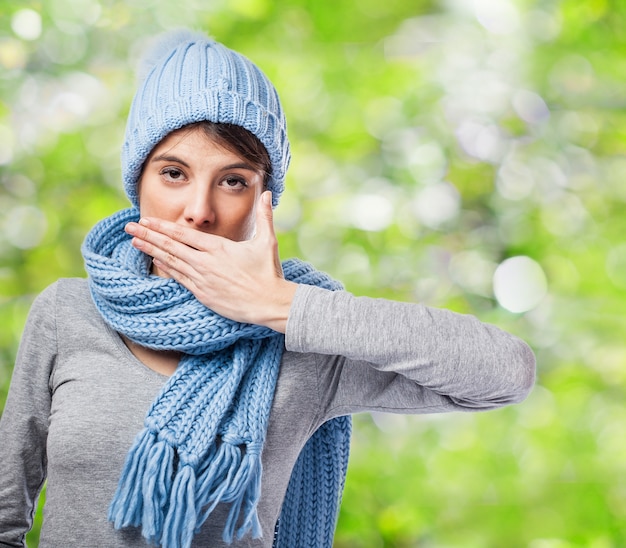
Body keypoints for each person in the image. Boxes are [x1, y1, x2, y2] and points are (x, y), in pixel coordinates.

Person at [0, 29, 536, 548]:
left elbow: (505, 373)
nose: (199, 211)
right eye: (173, 173)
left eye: (233, 181)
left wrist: (277, 305)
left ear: (265, 200)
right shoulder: (66, 313)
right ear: (137, 181)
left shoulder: (303, 340)